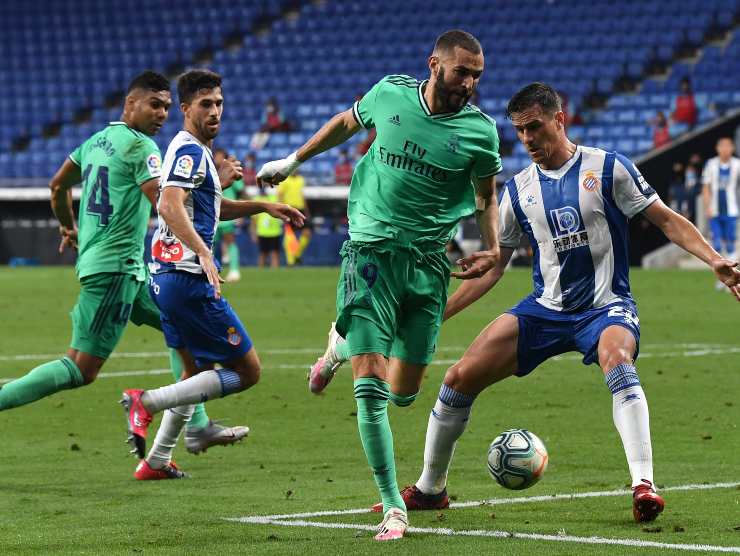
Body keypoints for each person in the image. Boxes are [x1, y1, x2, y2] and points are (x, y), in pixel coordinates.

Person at [369, 82, 740, 524]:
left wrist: (714, 259)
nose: (527, 139)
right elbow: (494, 266)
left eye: (534, 127)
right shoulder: (518, 190)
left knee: (617, 358)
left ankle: (644, 484)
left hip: (606, 306)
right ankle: (431, 490)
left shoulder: (607, 169)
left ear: (559, 120)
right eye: (519, 131)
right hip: (545, 309)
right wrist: (435, 315)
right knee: (458, 377)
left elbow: (665, 219)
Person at [257, 29, 502, 541]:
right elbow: (347, 123)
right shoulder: (390, 93)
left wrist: (493, 247)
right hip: (368, 252)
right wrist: (293, 161)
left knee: (403, 393)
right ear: (434, 63)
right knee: (370, 390)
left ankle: (338, 346)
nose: (471, 82)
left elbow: (485, 196)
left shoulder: (481, 133)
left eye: (478, 74)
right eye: (463, 71)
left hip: (429, 264)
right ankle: (394, 504)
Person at [0, 71, 248, 457]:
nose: (162, 114)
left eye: (166, 107)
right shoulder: (141, 148)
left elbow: (57, 186)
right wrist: (218, 180)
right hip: (116, 270)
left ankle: (196, 427)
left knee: (177, 327)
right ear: (130, 104)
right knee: (81, 368)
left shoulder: (96, 141)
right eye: (154, 105)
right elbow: (171, 205)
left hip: (130, 271)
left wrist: (68, 228)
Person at [120, 69, 304, 479]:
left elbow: (203, 209)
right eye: (206, 104)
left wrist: (262, 207)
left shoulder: (194, 150)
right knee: (248, 371)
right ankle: (144, 403)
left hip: (166, 277)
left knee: (194, 375)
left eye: (219, 103)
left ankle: (158, 459)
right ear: (186, 109)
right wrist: (203, 251)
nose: (215, 111)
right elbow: (168, 205)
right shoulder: (189, 151)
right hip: (187, 278)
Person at [702, 137, 740, 290]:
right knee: (716, 244)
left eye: (727, 146)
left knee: (731, 243)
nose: (724, 149)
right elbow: (706, 187)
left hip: (731, 211)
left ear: (732, 148)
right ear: (717, 148)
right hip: (715, 211)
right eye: (722, 146)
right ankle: (722, 279)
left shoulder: (737, 164)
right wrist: (707, 207)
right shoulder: (711, 164)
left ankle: (732, 279)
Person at [213, 147, 246, 282]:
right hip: (213, 215)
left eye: (220, 156)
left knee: (230, 241)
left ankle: (234, 270)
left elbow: (240, 190)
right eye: (216, 156)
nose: (217, 159)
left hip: (227, 214)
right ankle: (213, 270)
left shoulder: (231, 172)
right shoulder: (210, 171)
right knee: (210, 245)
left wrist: (241, 212)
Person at [277, 168, 311, 265]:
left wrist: (306, 210)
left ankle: (296, 254)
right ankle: (290, 261)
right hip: (290, 209)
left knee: (307, 233)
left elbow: (301, 195)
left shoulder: (301, 179)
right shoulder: (284, 180)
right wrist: (282, 210)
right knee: (289, 234)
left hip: (300, 209)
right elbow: (280, 196)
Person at [250, 182, 283, 268]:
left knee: (275, 253)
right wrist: (253, 233)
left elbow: (280, 198)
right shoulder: (256, 200)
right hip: (262, 232)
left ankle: (275, 274)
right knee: (263, 253)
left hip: (275, 231)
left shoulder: (273, 198)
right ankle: (260, 273)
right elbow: (254, 220)